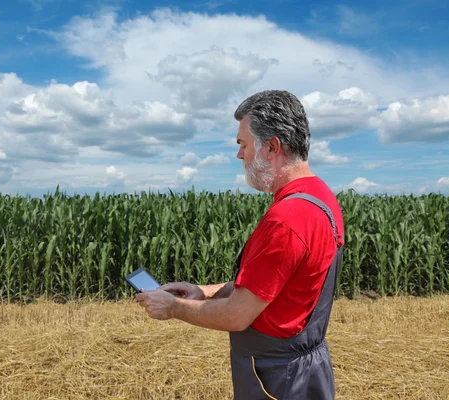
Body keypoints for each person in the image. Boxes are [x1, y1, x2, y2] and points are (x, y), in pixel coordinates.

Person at [136, 90, 345, 400]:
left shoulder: (287, 218)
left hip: (278, 379)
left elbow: (237, 315)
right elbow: (269, 287)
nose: (239, 155)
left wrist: (174, 307)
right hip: (303, 370)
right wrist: (203, 293)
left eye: (243, 145)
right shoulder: (319, 198)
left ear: (272, 146)